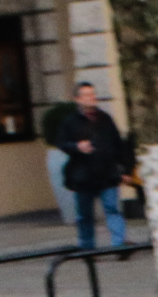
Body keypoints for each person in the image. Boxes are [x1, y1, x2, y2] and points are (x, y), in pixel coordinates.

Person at [53, 81, 130, 250]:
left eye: (93, 94)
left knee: (113, 210)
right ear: (78, 99)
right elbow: (62, 143)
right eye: (87, 95)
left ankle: (119, 244)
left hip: (107, 174)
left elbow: (117, 144)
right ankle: (87, 247)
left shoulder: (105, 118)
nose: (91, 98)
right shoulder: (71, 121)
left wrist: (124, 169)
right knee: (85, 215)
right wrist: (77, 147)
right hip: (84, 176)